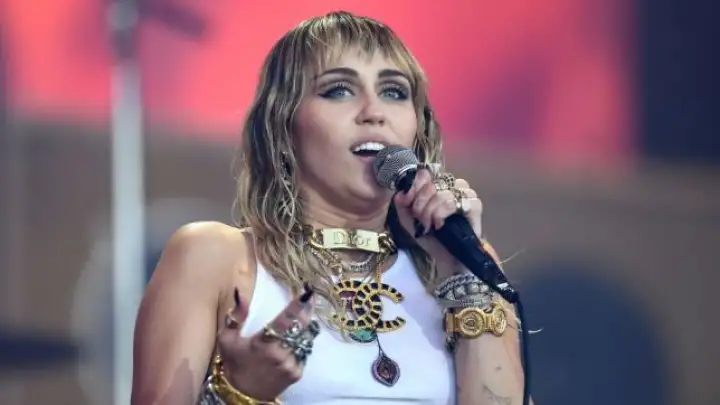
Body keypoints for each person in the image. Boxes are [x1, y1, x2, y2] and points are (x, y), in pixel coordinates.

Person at [131, 10, 528, 405]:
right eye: (338, 90)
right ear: (283, 126)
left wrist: (462, 277)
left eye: (394, 92)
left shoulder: (464, 265)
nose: (374, 112)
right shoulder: (216, 258)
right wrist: (239, 393)